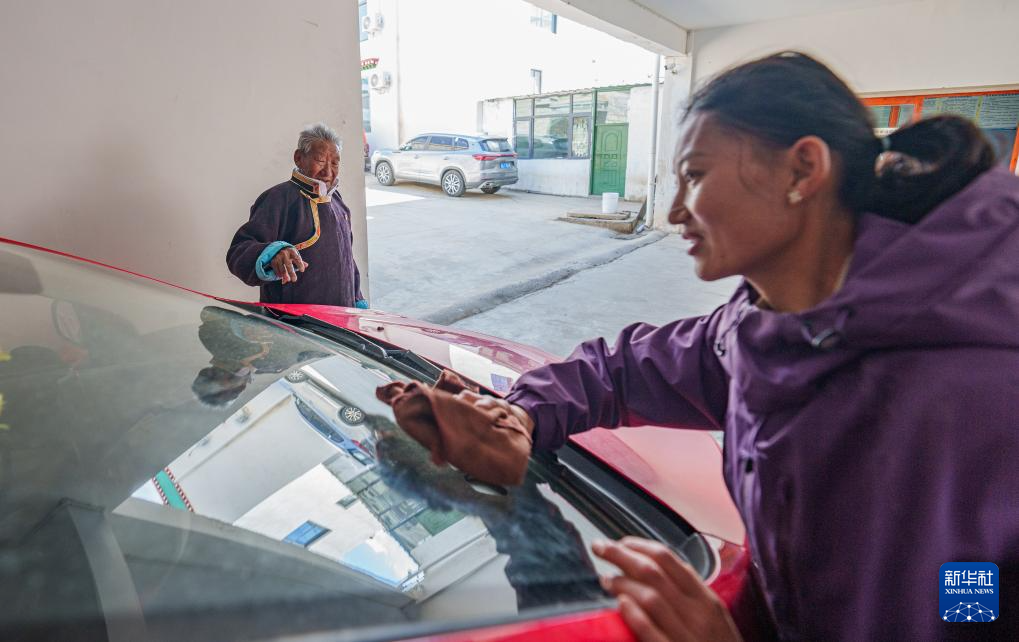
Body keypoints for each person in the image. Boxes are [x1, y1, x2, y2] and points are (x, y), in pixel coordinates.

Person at [376, 51, 1019, 640]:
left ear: (802, 170)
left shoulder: (977, 397)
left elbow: (968, 615)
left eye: (696, 176)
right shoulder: (769, 323)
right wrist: (519, 414)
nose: (676, 211)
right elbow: (627, 371)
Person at [227, 123, 367, 308]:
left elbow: (348, 259)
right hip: (294, 321)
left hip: (342, 316)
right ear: (299, 158)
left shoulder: (337, 201)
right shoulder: (277, 198)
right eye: (320, 160)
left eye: (334, 163)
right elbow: (238, 252)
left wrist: (357, 300)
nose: (328, 171)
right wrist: (273, 253)